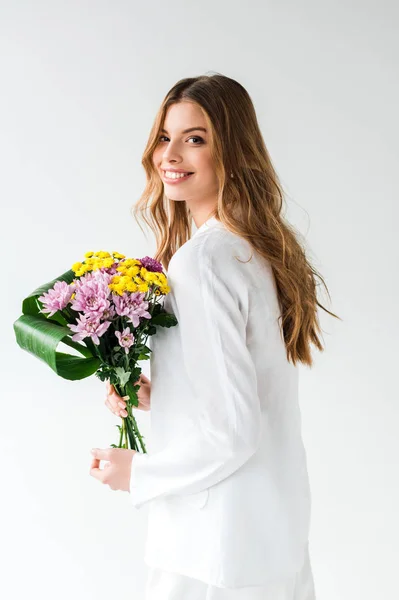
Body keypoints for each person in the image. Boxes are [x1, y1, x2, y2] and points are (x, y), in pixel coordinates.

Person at [90, 72, 340, 599]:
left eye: (195, 138)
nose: (171, 154)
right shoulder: (253, 248)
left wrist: (140, 472)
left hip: (213, 548)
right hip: (270, 531)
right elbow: (248, 390)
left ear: (232, 149)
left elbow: (233, 432)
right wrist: (165, 391)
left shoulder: (203, 259)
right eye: (165, 136)